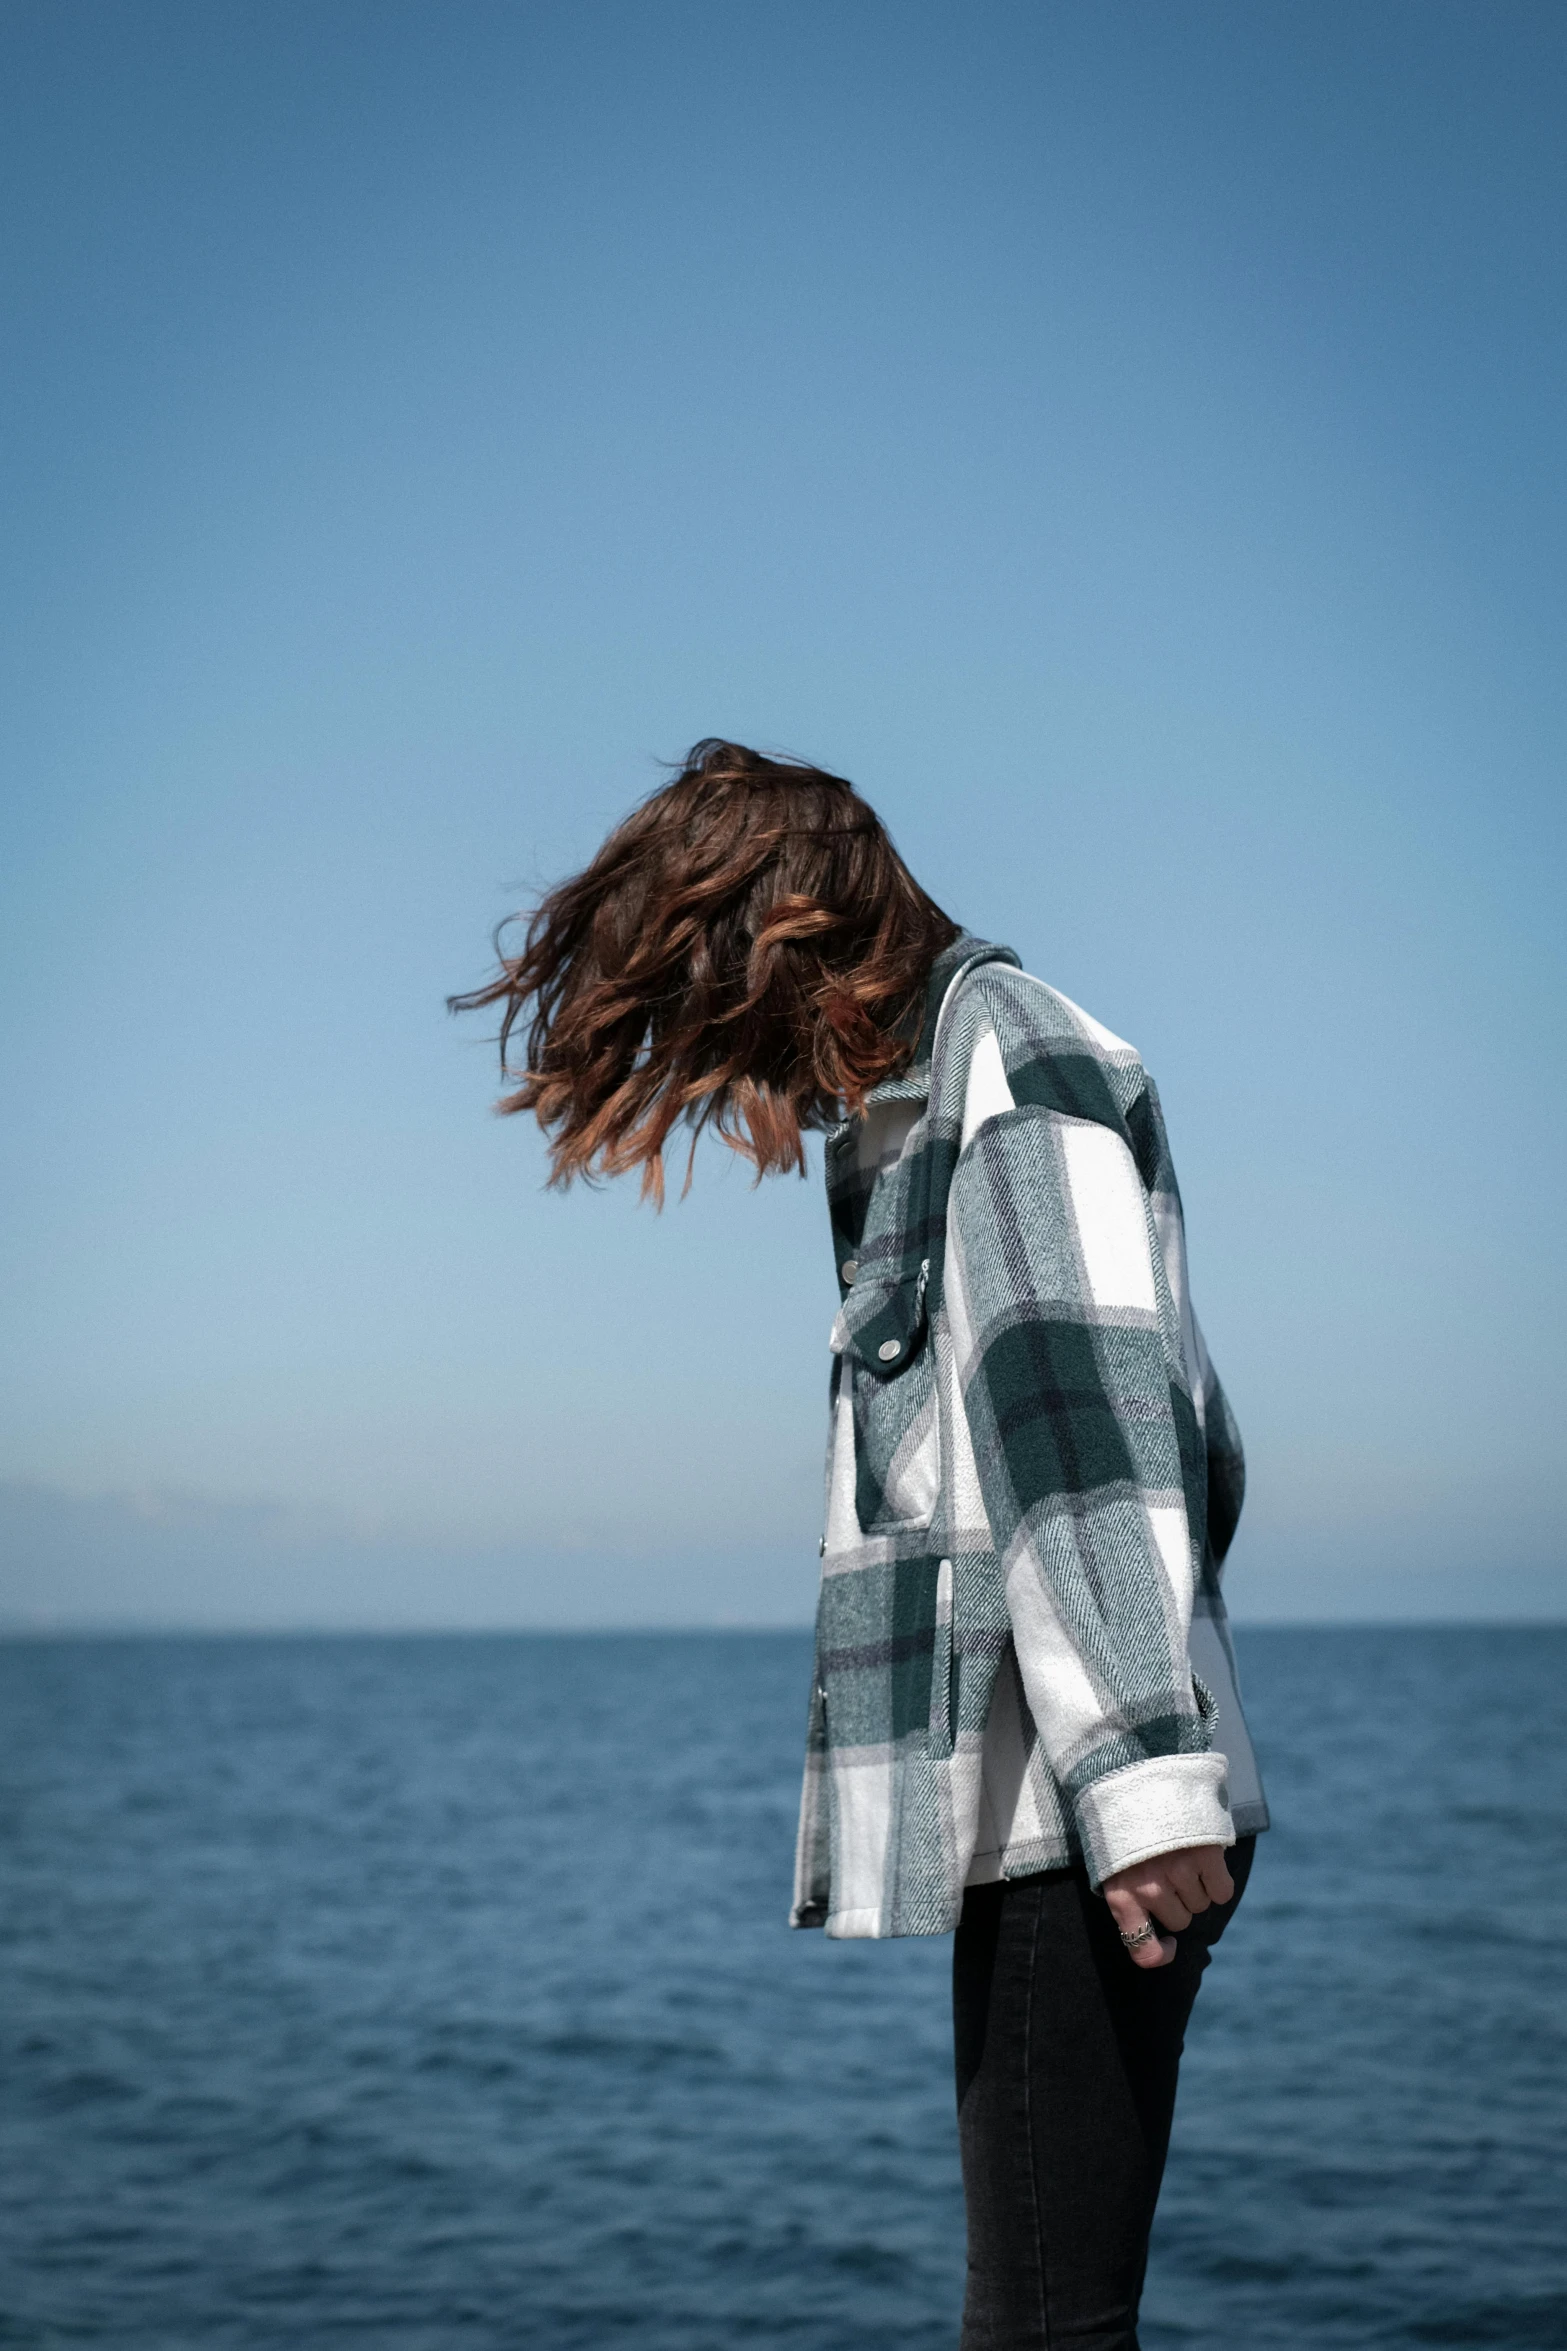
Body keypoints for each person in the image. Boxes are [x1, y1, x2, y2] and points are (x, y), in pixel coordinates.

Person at [453, 739, 1268, 2350]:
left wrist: (1145, 1781)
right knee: (1048, 2305)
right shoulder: (952, 1090)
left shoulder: (1009, 1079)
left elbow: (1082, 1430)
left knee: (1041, 2317)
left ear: (805, 947)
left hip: (1083, 1814)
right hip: (1070, 1799)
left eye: (739, 1021)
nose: (765, 1078)